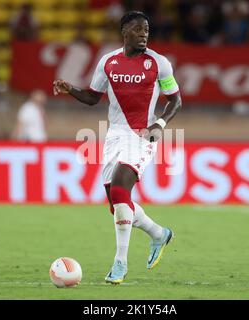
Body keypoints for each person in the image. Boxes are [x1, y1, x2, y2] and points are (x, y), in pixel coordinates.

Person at [53, 11, 182, 285]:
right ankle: (158, 234)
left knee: (123, 190)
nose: (144, 34)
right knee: (117, 206)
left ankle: (120, 263)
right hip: (114, 136)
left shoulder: (159, 63)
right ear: (124, 32)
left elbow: (175, 100)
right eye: (137, 29)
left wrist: (159, 124)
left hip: (143, 135)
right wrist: (70, 89)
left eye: (146, 29)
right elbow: (92, 97)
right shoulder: (108, 62)